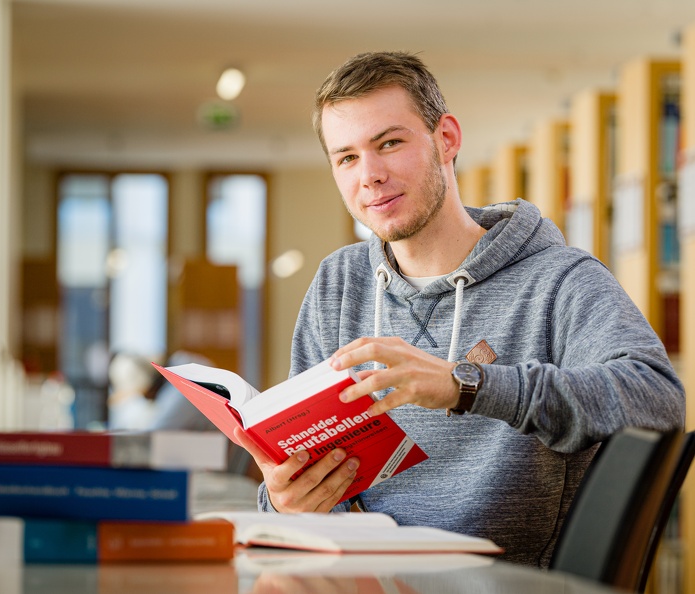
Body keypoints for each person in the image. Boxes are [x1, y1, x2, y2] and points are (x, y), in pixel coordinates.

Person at [233, 51, 686, 567]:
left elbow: (659, 398)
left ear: (446, 138)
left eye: (389, 143)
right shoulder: (339, 282)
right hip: (351, 573)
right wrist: (284, 499)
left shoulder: (560, 279)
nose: (370, 175)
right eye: (347, 157)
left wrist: (467, 386)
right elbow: (300, 457)